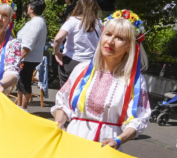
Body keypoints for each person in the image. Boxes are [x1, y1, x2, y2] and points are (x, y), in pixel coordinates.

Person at [52, 9, 150, 147]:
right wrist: (59, 124)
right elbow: (63, 103)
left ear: (130, 46)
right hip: (72, 142)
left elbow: (138, 118)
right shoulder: (82, 70)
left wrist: (119, 140)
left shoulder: (133, 81)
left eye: (120, 38)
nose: (110, 41)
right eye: (108, 34)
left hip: (106, 148)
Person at [53, 0, 102, 87]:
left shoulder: (73, 21)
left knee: (65, 92)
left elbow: (58, 39)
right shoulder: (99, 22)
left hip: (71, 61)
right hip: (91, 64)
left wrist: (57, 53)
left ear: (79, 4)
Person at [15, 0, 48, 108]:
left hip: (28, 58)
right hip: (29, 58)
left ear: (32, 8)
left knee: (24, 84)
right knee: (21, 83)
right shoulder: (37, 21)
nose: (27, 7)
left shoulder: (36, 23)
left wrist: (18, 59)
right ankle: (19, 107)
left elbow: (28, 44)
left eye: (29, 5)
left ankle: (23, 109)